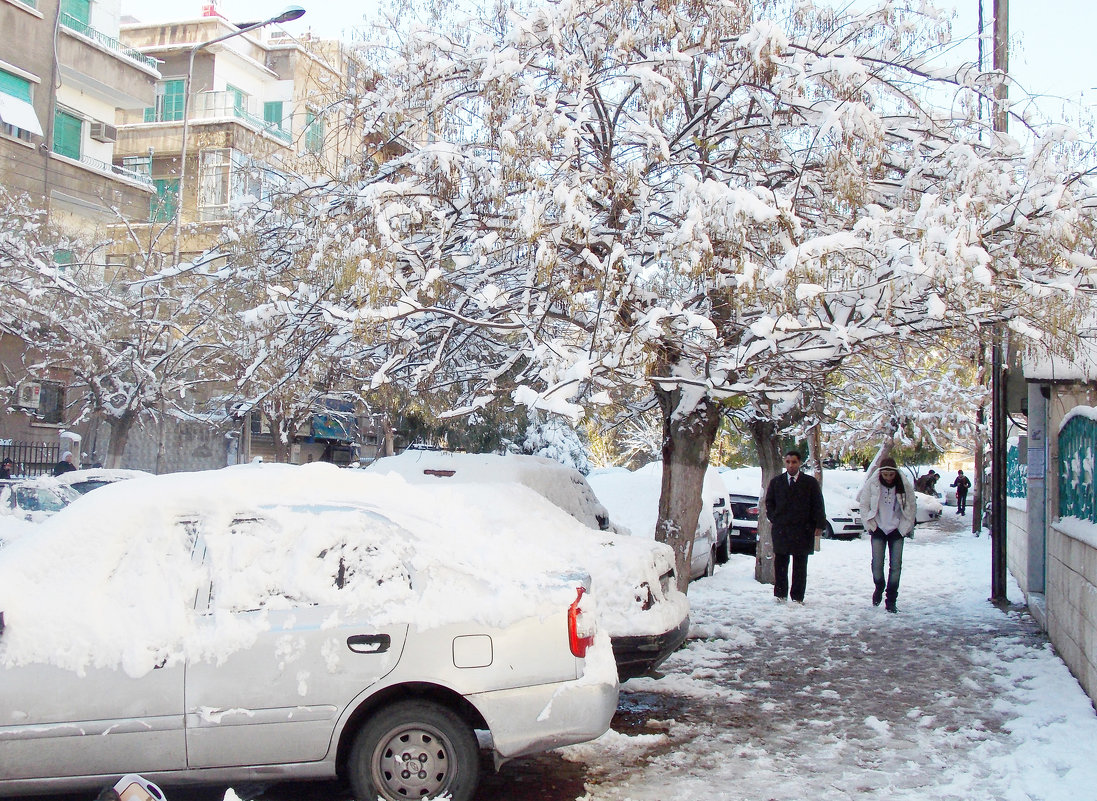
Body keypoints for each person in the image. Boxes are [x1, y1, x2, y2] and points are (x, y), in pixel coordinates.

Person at [765, 450, 826, 603]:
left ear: (799, 463)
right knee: (781, 562)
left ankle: (797, 597)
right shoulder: (776, 482)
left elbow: (818, 504)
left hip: (802, 529)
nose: (791, 465)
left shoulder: (809, 483)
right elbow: (769, 502)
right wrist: (774, 517)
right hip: (782, 528)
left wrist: (819, 524)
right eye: (788, 462)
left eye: (794, 462)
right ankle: (780, 595)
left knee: (800, 564)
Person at [858, 457, 917, 613]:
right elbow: (863, 505)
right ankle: (879, 585)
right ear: (881, 473)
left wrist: (903, 529)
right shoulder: (873, 484)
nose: (888, 478)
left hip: (897, 530)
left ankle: (891, 599)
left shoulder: (903, 485)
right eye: (885, 475)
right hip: (878, 528)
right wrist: (870, 525)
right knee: (877, 564)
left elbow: (911, 508)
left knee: (896, 566)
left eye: (891, 475)